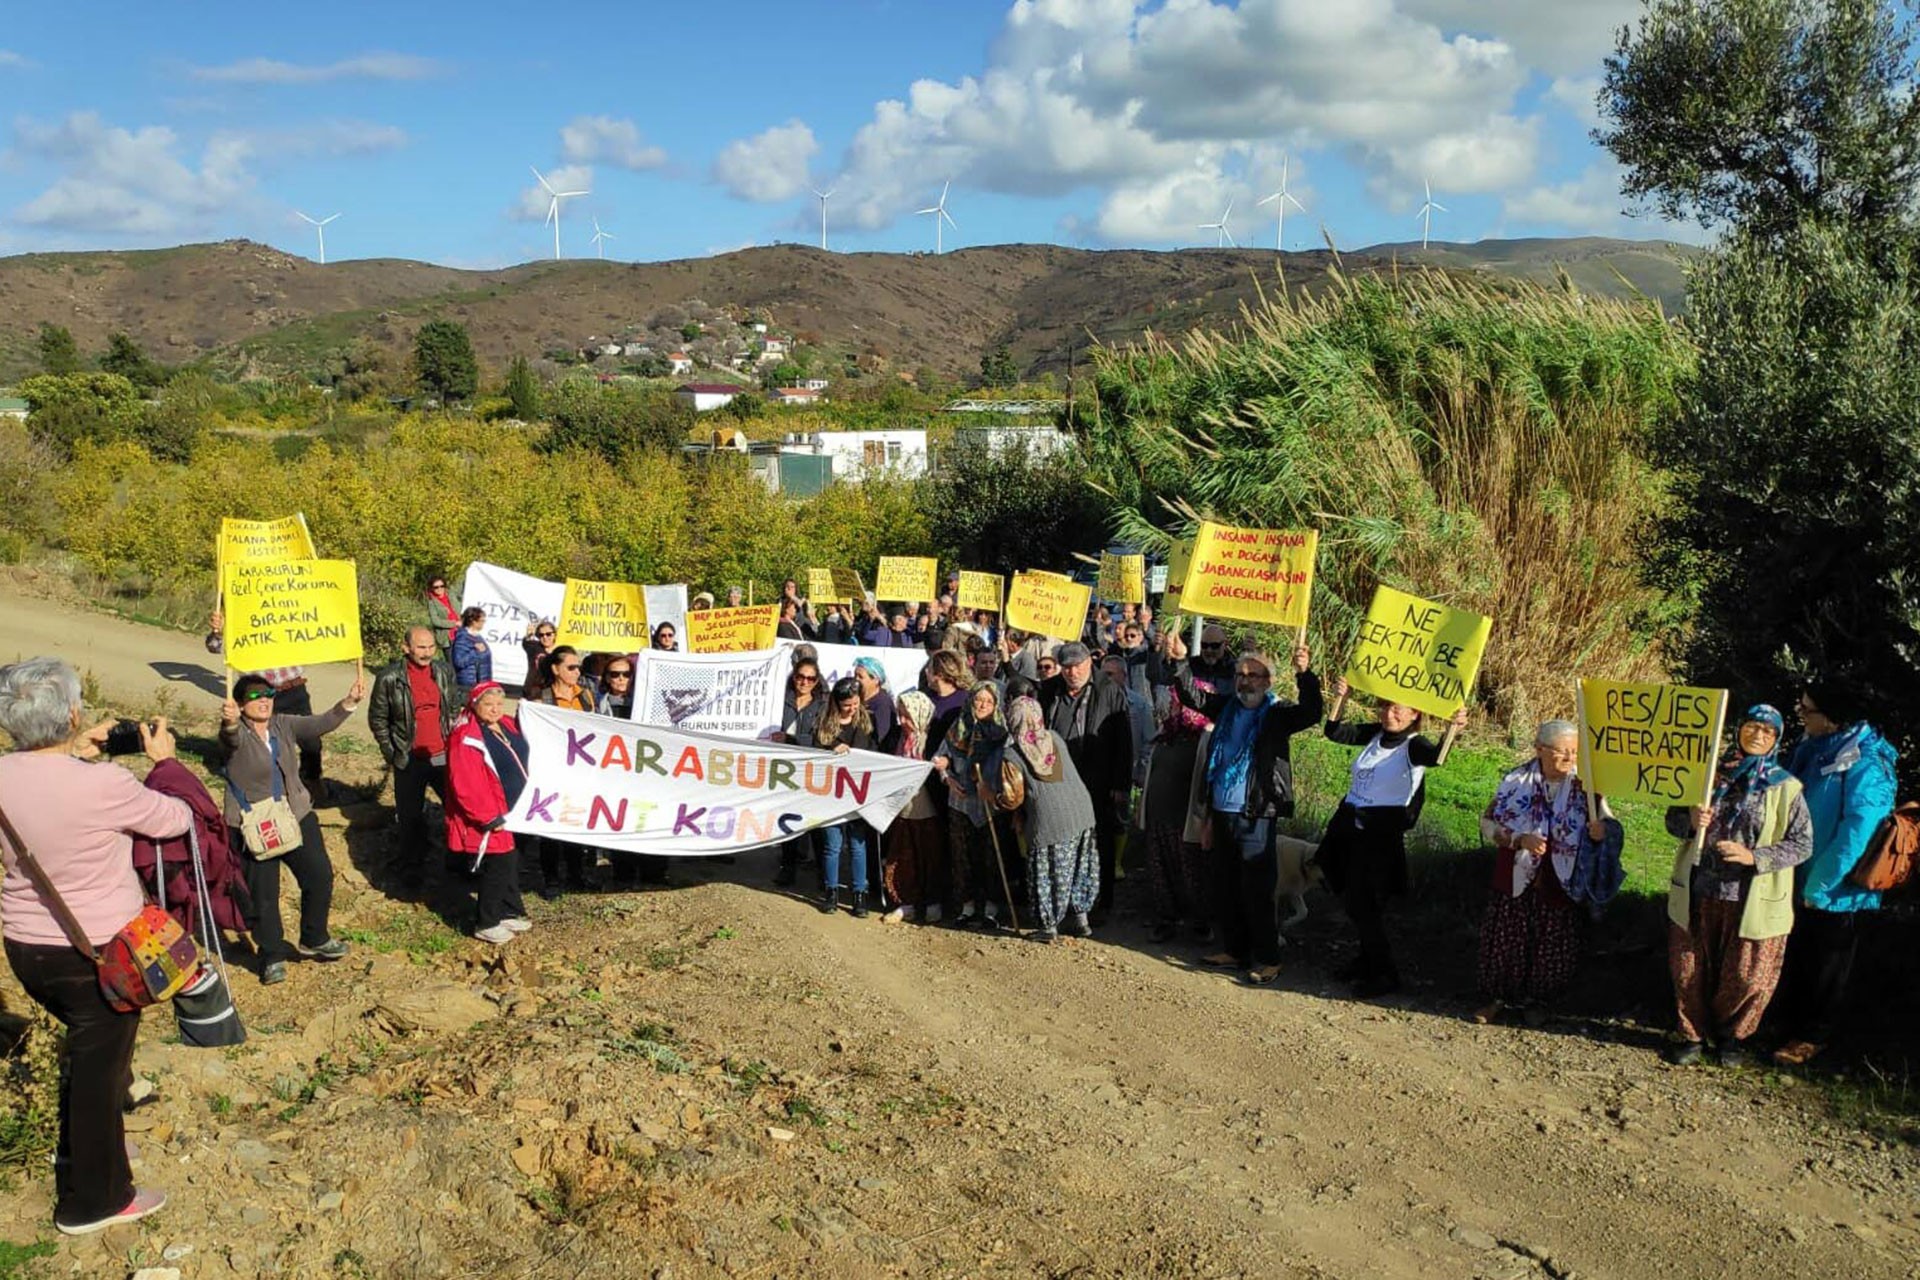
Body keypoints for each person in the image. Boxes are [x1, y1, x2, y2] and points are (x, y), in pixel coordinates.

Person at [0, 657, 190, 1236]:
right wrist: (165, 762)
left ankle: (85, 1148)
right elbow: (175, 820)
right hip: (101, 956)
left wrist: (74, 752)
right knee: (96, 1075)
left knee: (93, 1054)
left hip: (26, 947)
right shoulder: (105, 784)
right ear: (75, 714)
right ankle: (95, 1199)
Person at [1664, 705, 1813, 1067]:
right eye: (1752, 726)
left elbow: (1802, 843)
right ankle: (1692, 1036)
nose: (1757, 735)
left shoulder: (1786, 787)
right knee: (1688, 969)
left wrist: (1754, 858)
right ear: (1739, 729)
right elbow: (1672, 821)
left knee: (1747, 977)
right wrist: (1690, 819)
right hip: (1700, 889)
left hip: (1752, 897)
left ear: (1776, 739)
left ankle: (1730, 1038)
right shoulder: (1707, 775)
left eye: (1767, 730)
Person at [1166, 637, 1322, 980]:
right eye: (1241, 674)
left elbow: (1312, 712)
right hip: (1222, 812)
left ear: (1268, 681)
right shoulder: (1227, 708)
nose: (1246, 680)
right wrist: (1180, 662)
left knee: (1258, 890)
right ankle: (1235, 949)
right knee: (1227, 885)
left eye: (1254, 675)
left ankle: (1268, 958)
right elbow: (1195, 697)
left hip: (1256, 814)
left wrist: (1305, 673)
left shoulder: (1277, 715)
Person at [1316, 677, 1469, 997]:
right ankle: (1365, 961)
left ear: (1414, 713)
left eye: (1397, 708)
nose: (1389, 714)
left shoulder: (1413, 745)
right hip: (1349, 832)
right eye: (1384, 706)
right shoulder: (1374, 734)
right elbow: (1335, 732)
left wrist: (1454, 728)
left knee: (1366, 905)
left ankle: (1384, 974)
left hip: (1379, 839)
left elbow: (1436, 757)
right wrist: (1341, 699)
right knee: (1353, 900)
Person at [1772, 679, 1897, 1066]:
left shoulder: (1865, 762)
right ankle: (1786, 1025)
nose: (1801, 715)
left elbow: (1859, 828)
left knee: (1827, 962)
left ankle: (1813, 1036)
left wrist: (1822, 882)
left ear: (1832, 718)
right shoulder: (1813, 749)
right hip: (1801, 872)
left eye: (1807, 710)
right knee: (1799, 953)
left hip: (1836, 886)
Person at [219, 669, 365, 985]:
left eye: (268, 695)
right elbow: (229, 737)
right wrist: (229, 721)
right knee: (264, 894)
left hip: (295, 813)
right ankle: (271, 956)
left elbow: (320, 724)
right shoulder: (238, 735)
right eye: (254, 697)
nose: (263, 701)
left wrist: (349, 702)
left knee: (319, 875)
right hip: (253, 823)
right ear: (241, 704)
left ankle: (314, 937)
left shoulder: (283, 723)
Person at [1476, 720, 1611, 1025]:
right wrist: (1519, 839)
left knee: (1552, 942)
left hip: (1558, 878)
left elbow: (1608, 826)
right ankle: (1496, 998)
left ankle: (1538, 1002)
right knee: (1506, 939)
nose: (1569, 759)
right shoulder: (1515, 781)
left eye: (1575, 753)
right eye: (1562, 752)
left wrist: (1601, 832)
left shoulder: (1586, 788)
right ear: (1539, 749)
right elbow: (1488, 823)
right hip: (1516, 872)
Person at [1039, 642, 1133, 924]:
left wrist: (1120, 783)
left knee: (1098, 841)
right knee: (1061, 840)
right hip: (1058, 779)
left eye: (1077, 666)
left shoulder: (1108, 690)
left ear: (1088, 663)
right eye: (1066, 667)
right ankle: (1063, 901)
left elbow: (1123, 740)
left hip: (1097, 779)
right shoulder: (1049, 689)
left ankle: (1100, 902)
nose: (1072, 672)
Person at [998, 696, 1101, 942]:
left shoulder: (1012, 754)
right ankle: (1080, 919)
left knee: (1048, 870)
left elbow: (1013, 797)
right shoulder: (1054, 737)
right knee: (1078, 866)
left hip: (1049, 819)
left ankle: (1048, 927)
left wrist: (992, 796)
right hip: (1082, 810)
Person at [369, 626, 459, 891]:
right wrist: (392, 752)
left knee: (455, 810)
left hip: (443, 755)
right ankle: (412, 870)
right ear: (406, 647)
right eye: (421, 647)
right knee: (410, 818)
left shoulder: (443, 671)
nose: (427, 652)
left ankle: (459, 863)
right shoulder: (389, 678)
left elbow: (452, 705)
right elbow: (378, 718)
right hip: (409, 758)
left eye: (431, 646)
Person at [444, 681, 534, 945]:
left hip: (515, 807)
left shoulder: (506, 724)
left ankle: (508, 910)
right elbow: (466, 783)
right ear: (474, 705)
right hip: (491, 813)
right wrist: (488, 817)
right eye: (488, 704)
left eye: (498, 703)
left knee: (511, 860)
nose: (494, 709)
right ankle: (487, 921)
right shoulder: (466, 737)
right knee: (499, 863)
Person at [204, 611, 324, 793]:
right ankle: (263, 785)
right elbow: (214, 647)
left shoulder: (291, 610)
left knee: (311, 741)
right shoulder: (242, 612)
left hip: (294, 688)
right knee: (259, 744)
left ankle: (312, 780)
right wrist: (217, 632)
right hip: (259, 692)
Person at [933, 682, 1013, 929]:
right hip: (961, 799)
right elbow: (942, 757)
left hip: (989, 802)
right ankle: (966, 907)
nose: (983, 706)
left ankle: (990, 908)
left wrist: (993, 786)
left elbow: (1010, 765)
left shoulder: (1002, 732)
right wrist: (946, 776)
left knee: (990, 856)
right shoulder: (959, 725)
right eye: (979, 700)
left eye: (989, 702)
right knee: (962, 856)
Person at [1140, 683, 1212, 944]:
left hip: (1185, 819)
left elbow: (1207, 781)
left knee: (1192, 875)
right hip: (1158, 813)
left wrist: (1206, 818)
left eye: (1175, 703)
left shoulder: (1205, 736)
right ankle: (1166, 921)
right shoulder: (1166, 732)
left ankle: (1200, 924)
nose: (1170, 706)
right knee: (1160, 872)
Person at [533, 648, 594, 896]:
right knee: (550, 828)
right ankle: (551, 880)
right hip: (552, 772)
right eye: (571, 667)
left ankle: (576, 875)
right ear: (555, 669)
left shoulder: (586, 696)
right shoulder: (541, 700)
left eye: (578, 667)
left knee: (574, 821)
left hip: (580, 772)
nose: (577, 672)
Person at [815, 677, 877, 917]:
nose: (852, 708)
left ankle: (859, 893)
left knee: (857, 845)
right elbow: (815, 753)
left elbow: (871, 751)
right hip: (831, 794)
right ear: (837, 704)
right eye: (847, 705)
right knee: (832, 845)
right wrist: (832, 751)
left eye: (855, 703)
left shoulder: (865, 722)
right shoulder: (824, 723)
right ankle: (831, 891)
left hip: (857, 793)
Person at [883, 690, 946, 923]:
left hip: (929, 808)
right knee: (902, 857)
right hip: (903, 809)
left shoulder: (934, 739)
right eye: (900, 715)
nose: (902, 721)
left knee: (930, 857)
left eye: (907, 716)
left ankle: (933, 902)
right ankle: (905, 902)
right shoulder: (897, 738)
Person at [774, 655, 825, 888]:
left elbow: (822, 738)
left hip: (811, 769)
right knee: (787, 819)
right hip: (784, 770)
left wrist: (793, 738)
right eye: (800, 677)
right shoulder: (779, 700)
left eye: (810, 678)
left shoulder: (822, 705)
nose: (804, 682)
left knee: (814, 823)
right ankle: (788, 868)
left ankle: (824, 874)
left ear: (816, 681)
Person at [852, 656, 897, 751]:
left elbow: (881, 738)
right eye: (855, 675)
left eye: (861, 677)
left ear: (876, 680)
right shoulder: (856, 698)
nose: (856, 679)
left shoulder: (882, 704)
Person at [451, 607, 493, 693]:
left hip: (481, 683)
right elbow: (459, 662)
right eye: (481, 621)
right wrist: (475, 652)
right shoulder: (463, 637)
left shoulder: (477, 636)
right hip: (469, 685)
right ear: (473, 621)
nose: (483, 623)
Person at [421, 573, 459, 654]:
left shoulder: (452, 596)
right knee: (451, 665)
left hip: (461, 634)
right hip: (447, 638)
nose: (439, 588)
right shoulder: (432, 603)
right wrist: (454, 623)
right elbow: (436, 621)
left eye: (442, 586)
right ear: (432, 588)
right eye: (436, 587)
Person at [521, 620, 557, 698]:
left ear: (554, 635)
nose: (545, 637)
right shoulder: (535, 647)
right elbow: (526, 643)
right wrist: (529, 635)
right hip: (531, 691)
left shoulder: (559, 652)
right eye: (541, 635)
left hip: (549, 693)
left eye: (548, 634)